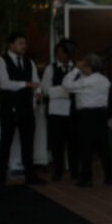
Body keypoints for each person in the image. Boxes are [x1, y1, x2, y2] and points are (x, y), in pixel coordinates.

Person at [0, 31, 46, 185]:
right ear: (11, 45)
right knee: (6, 141)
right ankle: (1, 176)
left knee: (28, 142)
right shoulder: (0, 61)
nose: (24, 46)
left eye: (24, 43)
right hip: (9, 108)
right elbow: (4, 83)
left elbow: (36, 81)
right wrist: (26, 84)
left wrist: (37, 92)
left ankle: (30, 175)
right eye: (20, 43)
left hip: (26, 108)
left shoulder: (29, 62)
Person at [62, 54, 112, 187]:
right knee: (103, 147)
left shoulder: (85, 81)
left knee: (86, 147)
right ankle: (109, 177)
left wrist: (75, 70)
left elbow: (66, 84)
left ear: (88, 67)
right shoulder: (104, 80)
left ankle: (86, 178)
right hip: (101, 114)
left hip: (87, 116)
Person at [40, 39, 79, 180]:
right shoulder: (51, 68)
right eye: (58, 53)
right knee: (57, 142)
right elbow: (45, 88)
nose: (59, 55)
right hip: (56, 111)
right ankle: (58, 170)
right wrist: (64, 91)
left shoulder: (76, 68)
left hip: (73, 110)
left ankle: (75, 169)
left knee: (74, 141)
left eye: (62, 52)